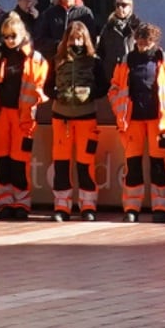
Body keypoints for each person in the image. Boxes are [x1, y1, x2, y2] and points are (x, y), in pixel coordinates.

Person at [47, 21, 113, 222]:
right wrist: (57, 94)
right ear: (66, 40)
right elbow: (46, 86)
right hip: (61, 118)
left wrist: (91, 94)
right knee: (61, 164)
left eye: (80, 39)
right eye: (72, 39)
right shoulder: (57, 60)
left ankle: (88, 205)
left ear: (86, 40)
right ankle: (62, 206)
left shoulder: (94, 61)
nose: (76, 43)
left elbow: (105, 86)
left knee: (86, 163)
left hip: (86, 117)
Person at [115, 19, 165, 219]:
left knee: (159, 164)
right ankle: (131, 208)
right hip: (132, 120)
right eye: (140, 42)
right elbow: (115, 88)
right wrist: (119, 110)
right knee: (132, 164)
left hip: (158, 121)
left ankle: (161, 208)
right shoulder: (126, 60)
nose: (143, 46)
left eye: (147, 42)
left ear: (155, 41)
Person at [0, 17, 47, 219]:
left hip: (24, 118)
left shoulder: (36, 59)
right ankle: (4, 202)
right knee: (2, 161)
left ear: (23, 35)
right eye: (6, 36)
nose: (9, 40)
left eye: (13, 36)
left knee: (20, 163)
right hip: (1, 114)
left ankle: (22, 203)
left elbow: (41, 86)